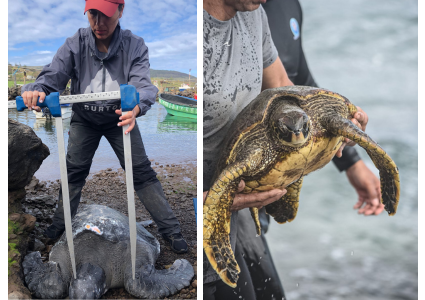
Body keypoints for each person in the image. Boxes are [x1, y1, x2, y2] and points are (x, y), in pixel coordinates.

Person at [202, 0, 371, 299]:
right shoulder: (195, 30)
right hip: (205, 208)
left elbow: (282, 84)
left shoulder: (253, 15)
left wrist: (338, 126)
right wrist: (207, 203)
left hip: (245, 207)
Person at [21, 0, 188, 254]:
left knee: (141, 172)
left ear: (121, 11)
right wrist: (35, 90)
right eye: (93, 15)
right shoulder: (75, 43)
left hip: (120, 117)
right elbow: (52, 76)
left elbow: (143, 85)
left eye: (106, 16)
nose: (98, 23)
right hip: (84, 119)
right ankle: (59, 224)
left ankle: (171, 229)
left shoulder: (136, 45)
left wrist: (137, 107)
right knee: (73, 173)